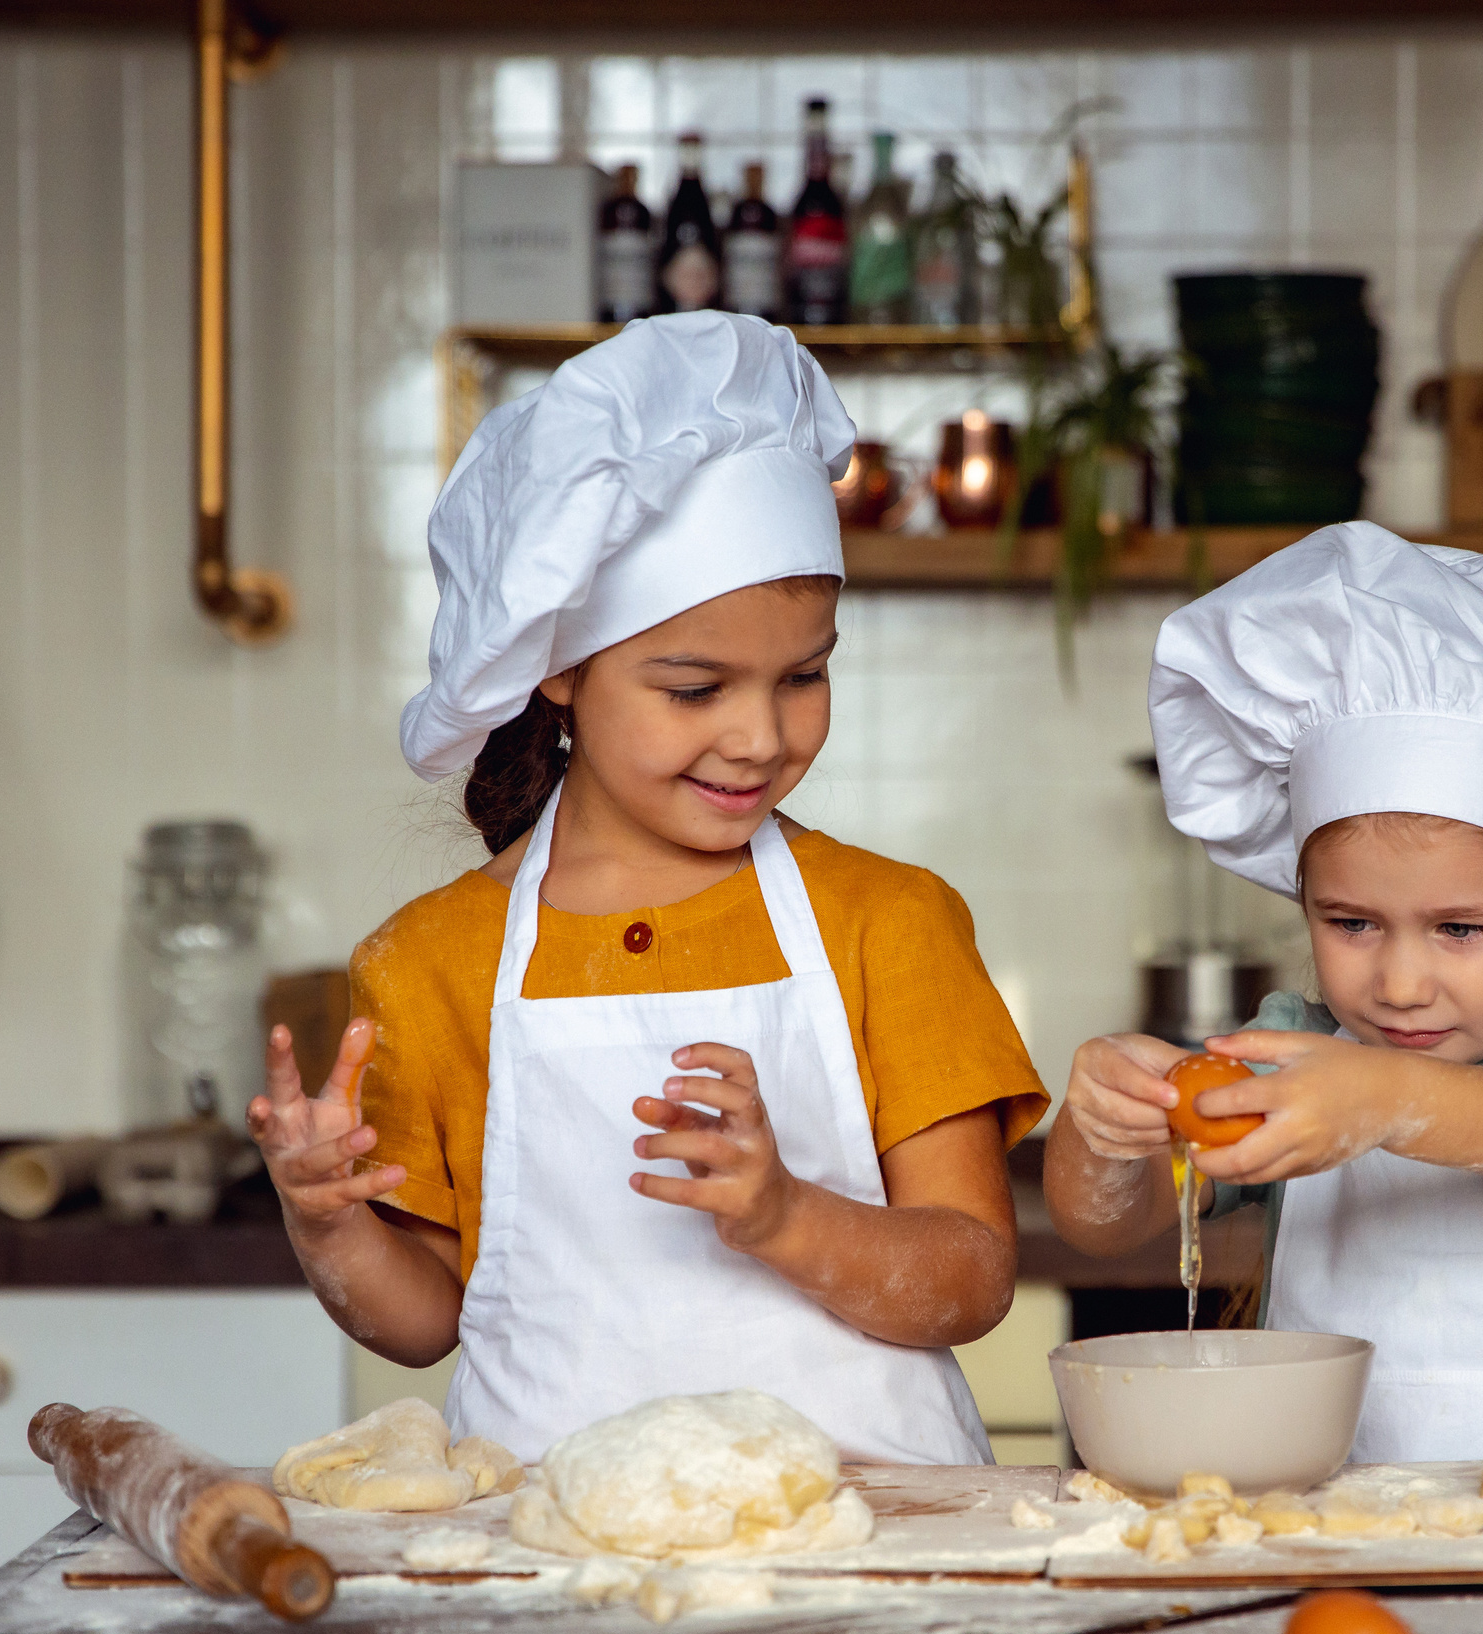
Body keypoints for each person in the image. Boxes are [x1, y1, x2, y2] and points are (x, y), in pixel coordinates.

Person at [248, 312, 1047, 1464]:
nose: (759, 736)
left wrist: (785, 1216)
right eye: (694, 688)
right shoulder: (429, 962)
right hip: (553, 1539)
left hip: (868, 1532)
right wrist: (326, 1224)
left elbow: (969, 1279)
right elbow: (424, 1321)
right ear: (560, 669)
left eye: (803, 676)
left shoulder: (888, 920)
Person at [1045, 521, 1483, 1463]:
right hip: (1337, 1522)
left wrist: (1389, 1101)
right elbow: (1104, 1224)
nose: (1402, 984)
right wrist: (1105, 1133)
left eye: (1460, 929)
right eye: (1352, 923)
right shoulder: (1295, 1050)